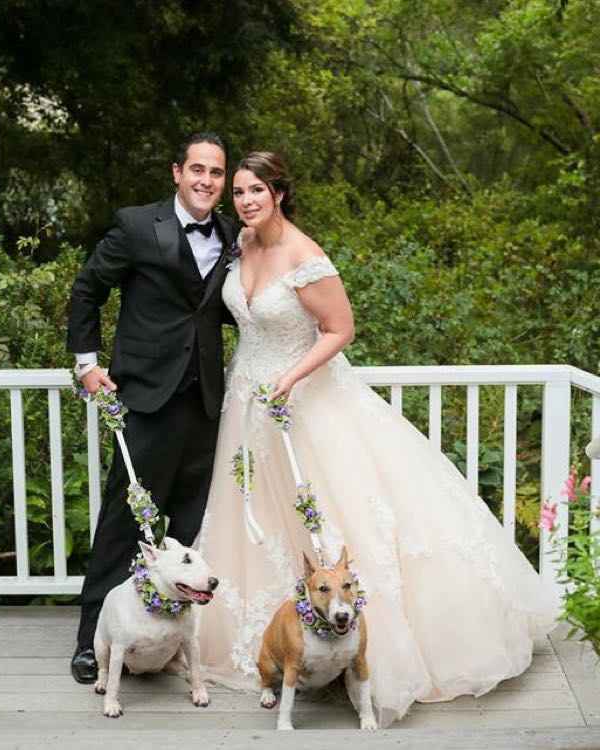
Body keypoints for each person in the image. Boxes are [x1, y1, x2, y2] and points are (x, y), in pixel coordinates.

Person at [196, 152, 557, 726]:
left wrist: (288, 379)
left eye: (256, 190)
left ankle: (358, 650)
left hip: (305, 399)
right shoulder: (241, 245)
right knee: (259, 519)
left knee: (334, 512)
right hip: (248, 404)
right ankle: (283, 643)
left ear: (280, 193)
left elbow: (340, 329)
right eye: (238, 191)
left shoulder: (304, 254)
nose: (244, 200)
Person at [66, 132, 238, 683]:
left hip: (208, 404)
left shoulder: (234, 233)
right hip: (145, 399)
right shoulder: (139, 226)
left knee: (190, 525)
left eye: (216, 172)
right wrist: (87, 365)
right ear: (176, 172)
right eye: (197, 170)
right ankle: (92, 641)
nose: (206, 180)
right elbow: (88, 290)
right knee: (125, 522)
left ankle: (169, 644)